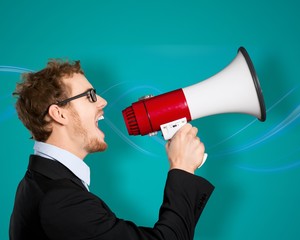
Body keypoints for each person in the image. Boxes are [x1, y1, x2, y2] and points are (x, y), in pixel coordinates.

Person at [9, 59, 214, 240]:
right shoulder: (61, 200)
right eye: (90, 96)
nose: (103, 102)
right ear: (59, 114)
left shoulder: (39, 182)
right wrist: (182, 168)